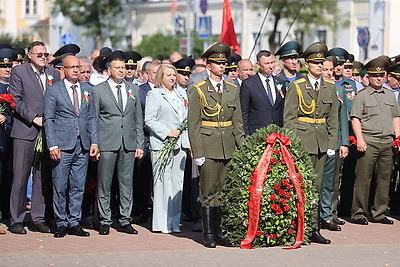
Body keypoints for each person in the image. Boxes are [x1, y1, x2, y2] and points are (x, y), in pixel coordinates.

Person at [188, 42, 245, 248]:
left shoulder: (232, 88)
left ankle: (220, 232)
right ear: (209, 65)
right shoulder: (198, 90)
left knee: (223, 190)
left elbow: (237, 122)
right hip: (209, 145)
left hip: (228, 145)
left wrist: (242, 147)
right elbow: (193, 124)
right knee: (208, 191)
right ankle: (208, 233)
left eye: (224, 63)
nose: (222, 66)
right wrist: (198, 151)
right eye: (218, 63)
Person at [283, 41, 338, 244]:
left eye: (321, 63)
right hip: (303, 141)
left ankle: (314, 229)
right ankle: (297, 228)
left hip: (322, 141)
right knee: (300, 186)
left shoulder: (330, 87)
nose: (319, 67)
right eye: (315, 63)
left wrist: (331, 144)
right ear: (307, 64)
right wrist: (292, 144)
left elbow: (333, 117)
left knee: (316, 185)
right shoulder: (297, 86)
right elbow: (289, 118)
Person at [44, 55, 99, 238]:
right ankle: (61, 222)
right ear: (63, 69)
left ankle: (74, 221)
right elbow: (49, 119)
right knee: (60, 185)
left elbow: (91, 117)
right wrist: (52, 145)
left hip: (82, 144)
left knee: (78, 185)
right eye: (72, 67)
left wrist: (94, 142)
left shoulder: (86, 89)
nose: (76, 70)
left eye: (78, 67)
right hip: (62, 144)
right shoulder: (54, 90)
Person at [8, 41, 61, 234]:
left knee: (42, 177)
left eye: (45, 54)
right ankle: (17, 219)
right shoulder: (19, 72)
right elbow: (15, 99)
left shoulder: (54, 74)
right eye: (38, 54)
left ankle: (38, 218)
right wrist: (34, 118)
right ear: (29, 55)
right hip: (25, 131)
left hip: (48, 132)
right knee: (21, 177)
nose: (42, 57)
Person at [93, 50, 144, 235]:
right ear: (109, 70)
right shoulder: (98, 90)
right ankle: (105, 220)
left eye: (123, 67)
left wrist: (139, 144)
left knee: (126, 182)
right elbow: (94, 119)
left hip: (128, 142)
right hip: (107, 141)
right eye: (118, 68)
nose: (122, 71)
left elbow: (138, 118)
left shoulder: (134, 89)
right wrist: (95, 143)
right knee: (105, 183)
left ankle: (125, 219)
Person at [350, 57, 399, 225]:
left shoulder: (390, 95)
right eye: (374, 75)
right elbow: (355, 119)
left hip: (387, 141)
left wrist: (397, 139)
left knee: (384, 179)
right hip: (369, 141)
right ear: (368, 77)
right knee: (363, 178)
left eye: (381, 75)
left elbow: (396, 117)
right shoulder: (361, 96)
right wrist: (360, 140)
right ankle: (359, 213)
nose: (378, 78)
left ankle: (379, 212)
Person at [145, 64, 189, 233]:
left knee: (177, 184)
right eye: (168, 75)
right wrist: (167, 132)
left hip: (180, 144)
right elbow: (149, 119)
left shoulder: (181, 93)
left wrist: (188, 143)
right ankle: (161, 223)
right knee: (162, 184)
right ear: (161, 77)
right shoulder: (154, 94)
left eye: (173, 74)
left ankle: (173, 222)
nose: (172, 77)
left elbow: (186, 118)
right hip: (162, 143)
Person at [327, 47, 358, 220]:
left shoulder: (350, 84)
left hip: (349, 131)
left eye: (341, 64)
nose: (339, 68)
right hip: (333, 131)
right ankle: (330, 211)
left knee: (348, 173)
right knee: (331, 176)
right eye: (336, 64)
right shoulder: (328, 83)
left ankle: (343, 208)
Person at [319, 56, 349, 232]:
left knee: (330, 182)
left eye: (331, 70)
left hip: (333, 141)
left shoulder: (338, 89)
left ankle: (327, 215)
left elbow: (342, 119)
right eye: (325, 70)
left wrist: (343, 142)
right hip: (316, 140)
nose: (329, 73)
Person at [240, 50, 286, 136]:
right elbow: (244, 112)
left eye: (272, 62)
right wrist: (246, 136)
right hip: (257, 133)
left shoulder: (280, 82)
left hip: (277, 133)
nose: (271, 66)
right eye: (267, 63)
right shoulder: (249, 84)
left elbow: (282, 108)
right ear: (258, 65)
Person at [0, 49, 13, 235]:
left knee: (8, 177)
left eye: (9, 65)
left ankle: (6, 212)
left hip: (12, 138)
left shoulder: (13, 85)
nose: (7, 69)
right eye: (3, 66)